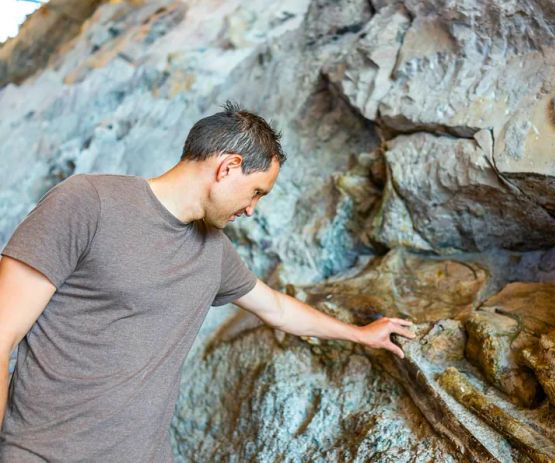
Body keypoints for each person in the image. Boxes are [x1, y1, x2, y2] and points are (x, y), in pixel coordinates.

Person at [0, 101, 415, 462]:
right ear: (228, 166)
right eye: (256, 192)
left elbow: (276, 308)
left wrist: (361, 334)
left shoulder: (213, 250)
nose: (252, 209)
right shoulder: (87, 202)